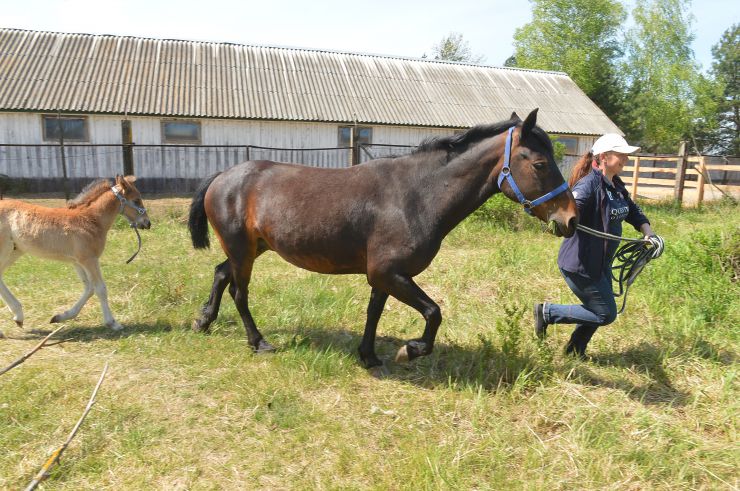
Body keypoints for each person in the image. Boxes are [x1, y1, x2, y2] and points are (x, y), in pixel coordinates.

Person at [533, 133, 663, 358]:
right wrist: (553, 213)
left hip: (601, 262)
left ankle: (575, 351)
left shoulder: (616, 185)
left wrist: (647, 231)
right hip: (580, 264)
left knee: (597, 306)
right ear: (604, 157)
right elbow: (570, 209)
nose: (626, 159)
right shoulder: (588, 185)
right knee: (605, 313)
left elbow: (632, 210)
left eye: (626, 155)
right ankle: (548, 313)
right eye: (621, 154)